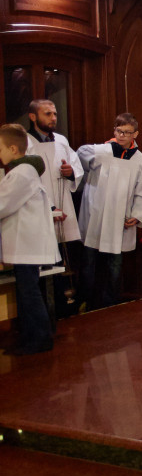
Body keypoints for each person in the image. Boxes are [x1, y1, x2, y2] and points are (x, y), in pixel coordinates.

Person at [77, 113, 142, 310]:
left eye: (127, 132)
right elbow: (79, 155)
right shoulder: (101, 151)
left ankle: (110, 301)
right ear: (114, 131)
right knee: (88, 261)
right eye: (119, 131)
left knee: (115, 263)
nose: (122, 135)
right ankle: (84, 301)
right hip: (96, 214)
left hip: (120, 219)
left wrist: (137, 215)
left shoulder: (140, 161)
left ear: (135, 134)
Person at [0, 124, 60, 355]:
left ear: (13, 149)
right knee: (25, 291)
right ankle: (29, 336)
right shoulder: (22, 171)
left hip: (26, 244)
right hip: (24, 244)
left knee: (29, 292)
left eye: (1, 148)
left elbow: (3, 204)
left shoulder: (22, 173)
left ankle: (41, 338)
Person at [25, 99, 84, 245]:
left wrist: (71, 172)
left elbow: (76, 166)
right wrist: (49, 207)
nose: (53, 118)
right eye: (48, 114)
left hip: (63, 203)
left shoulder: (61, 140)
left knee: (64, 250)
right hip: (39, 206)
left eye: (55, 114)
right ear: (33, 117)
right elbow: (27, 180)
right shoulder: (25, 143)